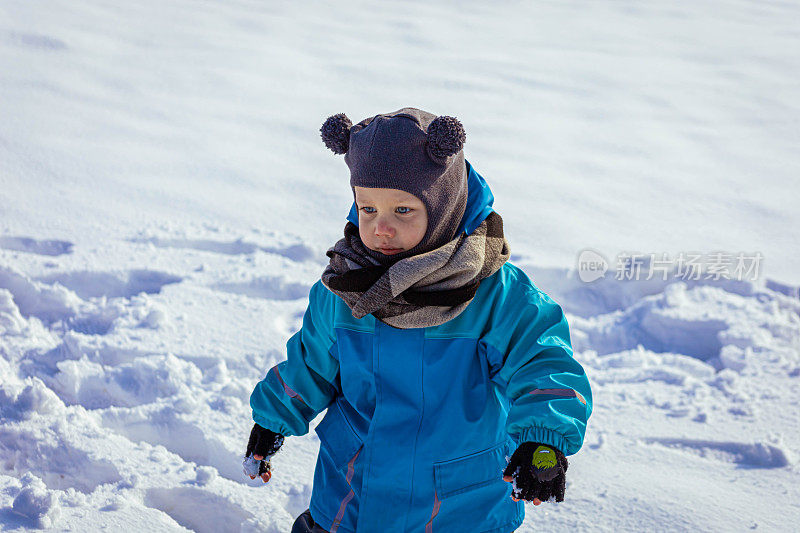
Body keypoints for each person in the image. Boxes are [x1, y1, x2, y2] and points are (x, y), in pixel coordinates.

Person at [244, 108, 593, 533]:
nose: (381, 228)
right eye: (368, 208)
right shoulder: (345, 287)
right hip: (349, 497)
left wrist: (544, 438)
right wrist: (272, 419)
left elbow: (544, 365)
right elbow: (310, 364)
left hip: (457, 508)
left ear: (443, 205)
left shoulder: (496, 296)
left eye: (403, 210)